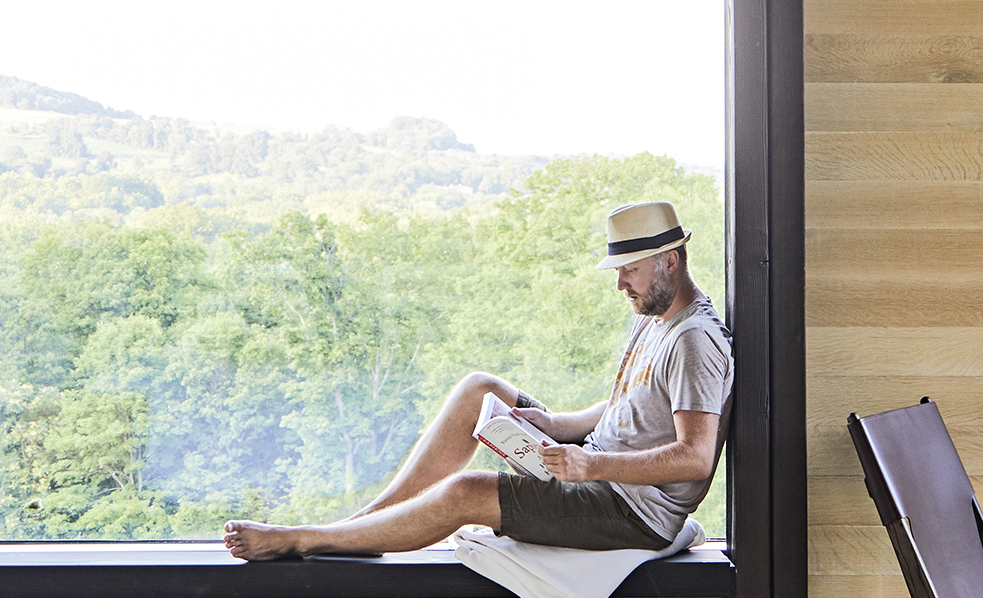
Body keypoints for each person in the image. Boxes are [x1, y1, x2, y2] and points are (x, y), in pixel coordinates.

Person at [222, 200, 732, 560]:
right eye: (618, 270)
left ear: (670, 261)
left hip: (626, 508)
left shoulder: (695, 341)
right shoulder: (654, 313)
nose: (620, 283)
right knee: (479, 388)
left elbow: (694, 457)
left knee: (466, 490)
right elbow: (630, 404)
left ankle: (305, 539)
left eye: (631, 270)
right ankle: (365, 525)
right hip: (592, 464)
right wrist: (555, 424)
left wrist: (591, 463)